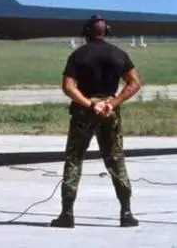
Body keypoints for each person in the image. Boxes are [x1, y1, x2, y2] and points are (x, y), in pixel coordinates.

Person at [50, 15, 142, 228]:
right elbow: (134, 83)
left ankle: (67, 214)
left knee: (74, 159)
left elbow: (68, 87)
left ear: (87, 33)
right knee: (116, 159)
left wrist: (90, 105)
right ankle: (126, 213)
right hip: (110, 112)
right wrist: (113, 103)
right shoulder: (119, 54)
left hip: (84, 113)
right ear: (106, 31)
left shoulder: (78, 55)